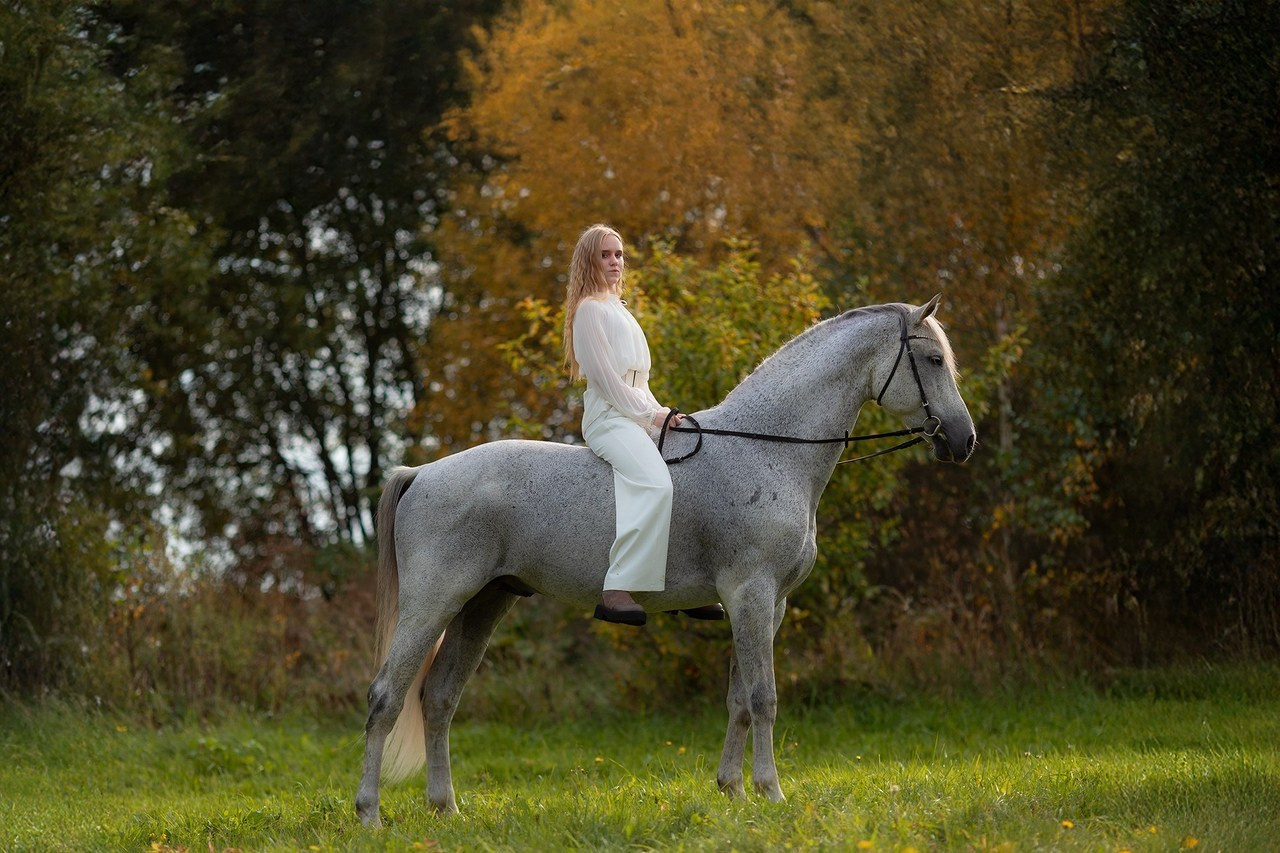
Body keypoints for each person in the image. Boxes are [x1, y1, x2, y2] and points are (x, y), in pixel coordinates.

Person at [563, 224, 723, 626]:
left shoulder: (620, 310)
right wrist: (651, 417)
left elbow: (640, 383)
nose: (615, 262)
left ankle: (684, 586)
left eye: (618, 255)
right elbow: (608, 382)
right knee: (656, 483)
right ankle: (616, 588)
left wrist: (665, 414)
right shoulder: (589, 312)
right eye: (605, 255)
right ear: (589, 260)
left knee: (693, 469)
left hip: (635, 412)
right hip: (609, 419)